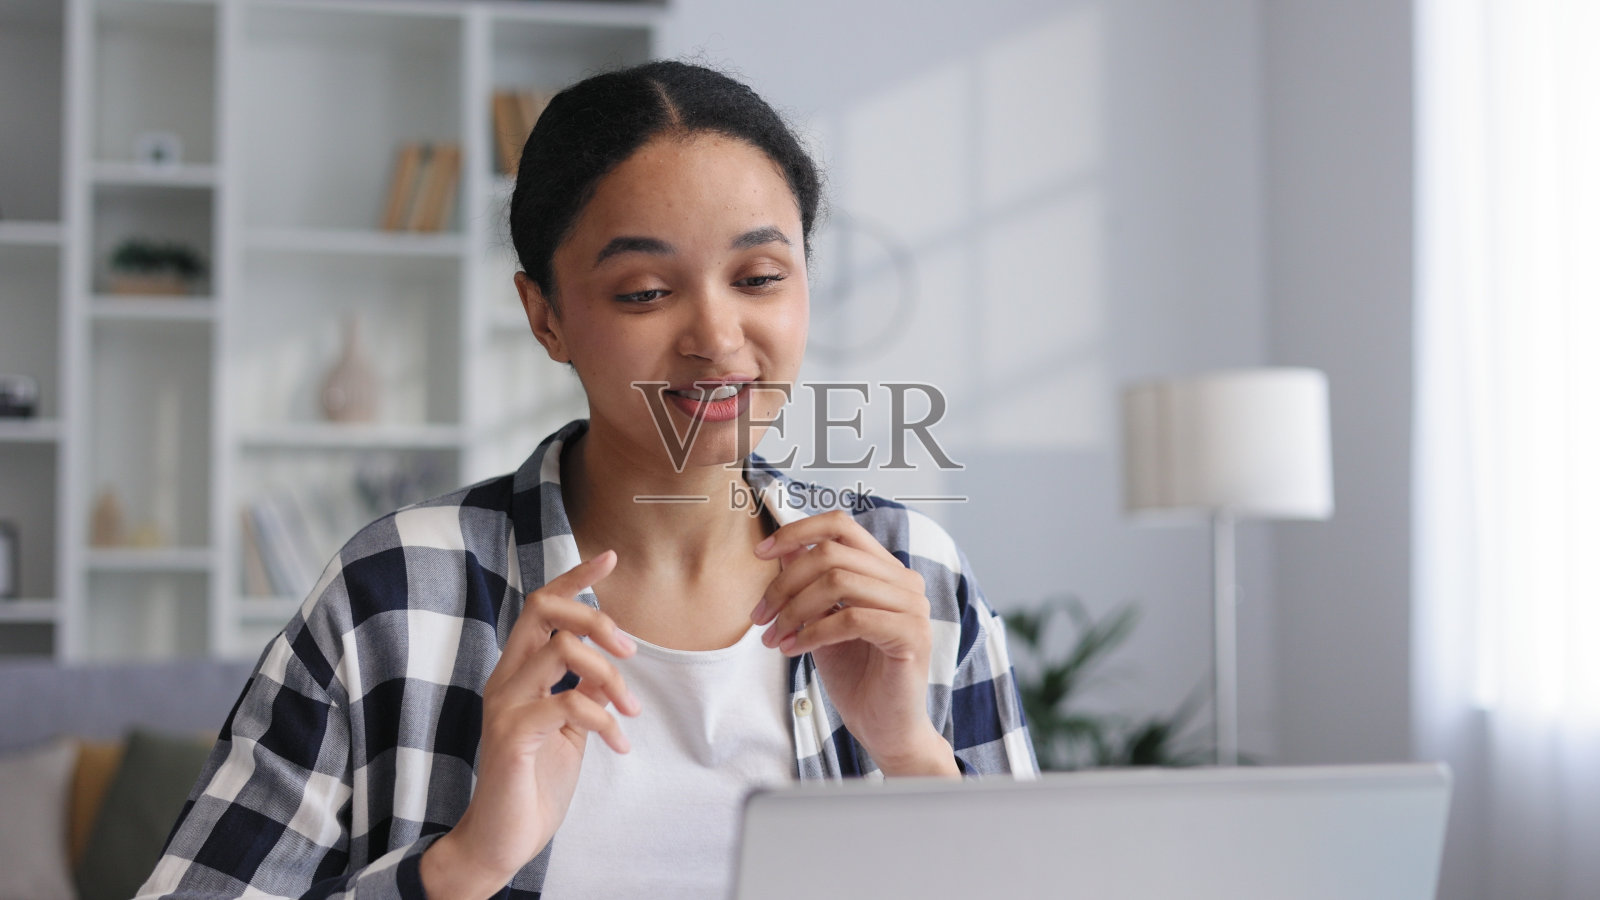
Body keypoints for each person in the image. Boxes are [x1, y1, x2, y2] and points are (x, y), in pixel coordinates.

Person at [138, 60, 1035, 900]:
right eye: (645, 291)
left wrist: (914, 758)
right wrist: (466, 863)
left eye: (760, 276)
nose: (718, 339)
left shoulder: (914, 575)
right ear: (546, 317)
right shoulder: (395, 593)